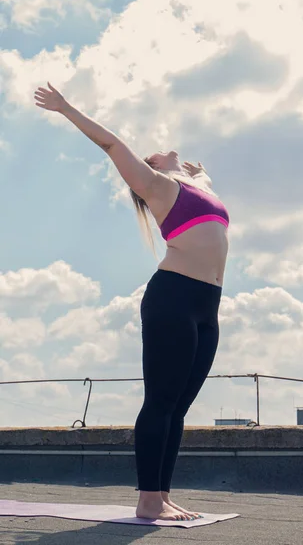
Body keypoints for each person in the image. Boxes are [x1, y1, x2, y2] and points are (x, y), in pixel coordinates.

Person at [34, 82, 230, 522]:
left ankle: (161, 494)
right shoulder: (157, 184)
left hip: (208, 306)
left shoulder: (197, 184)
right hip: (174, 298)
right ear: (150, 168)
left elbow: (202, 176)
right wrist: (67, 108)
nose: (162, 152)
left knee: (179, 407)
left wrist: (196, 170)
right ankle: (146, 499)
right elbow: (110, 142)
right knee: (160, 400)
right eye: (155, 154)